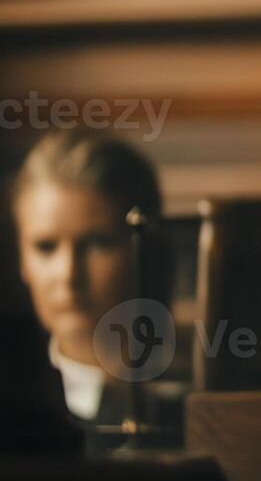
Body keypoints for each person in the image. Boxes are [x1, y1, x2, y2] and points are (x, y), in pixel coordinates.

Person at [9, 130, 166, 449]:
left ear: (146, 248)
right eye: (46, 247)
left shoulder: (197, 402)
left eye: (98, 243)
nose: (69, 275)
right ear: (21, 259)